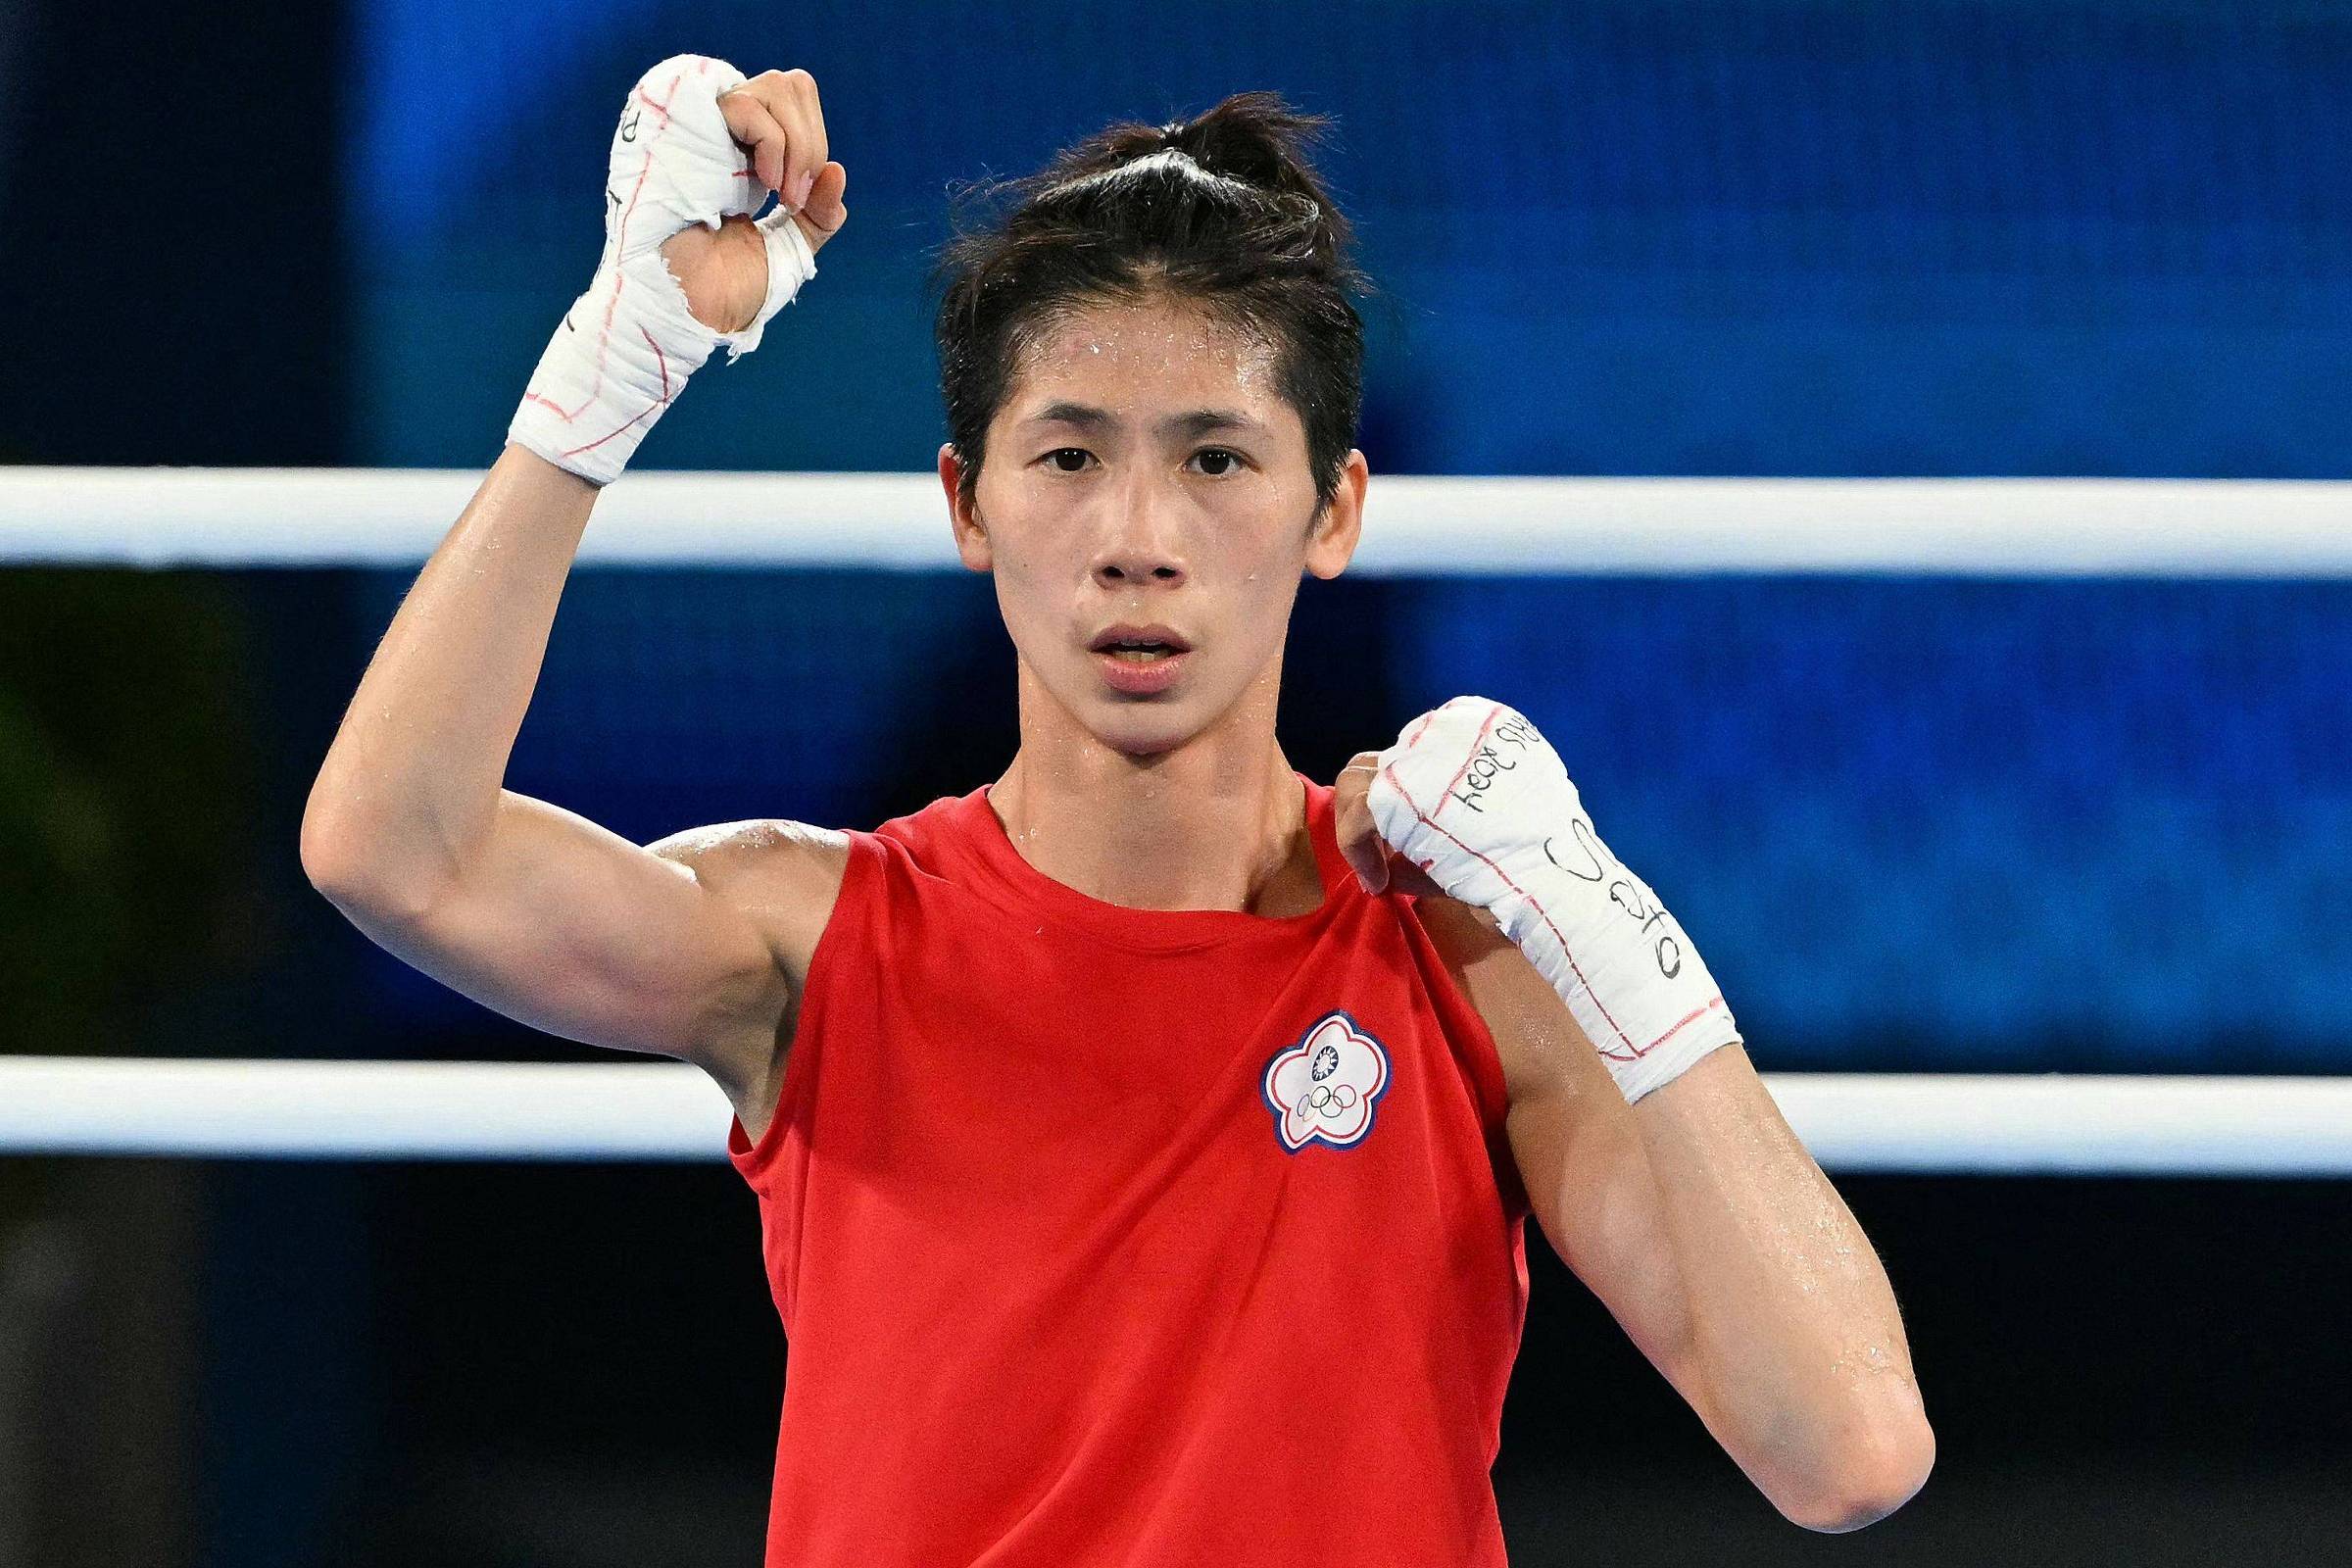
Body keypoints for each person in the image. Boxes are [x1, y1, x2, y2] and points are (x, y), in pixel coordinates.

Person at [300, 55, 1932, 1566]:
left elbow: (1848, 1452)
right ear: (968, 505)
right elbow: (393, 854)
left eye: (1215, 461)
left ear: (1334, 509)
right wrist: (613, 365)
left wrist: (1598, 911)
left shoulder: (1468, 959)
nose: (1138, 540)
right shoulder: (819, 934)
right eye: (1070, 459)